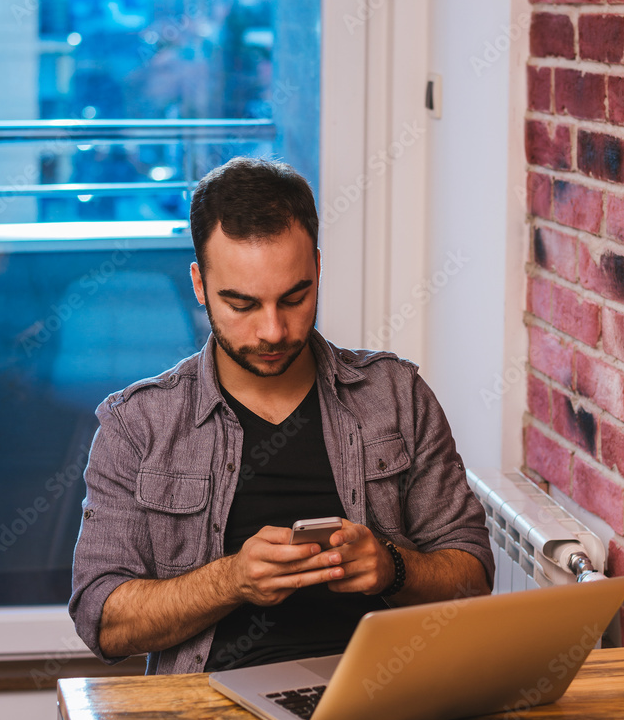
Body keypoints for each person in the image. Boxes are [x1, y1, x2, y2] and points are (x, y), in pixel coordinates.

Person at [70, 157, 494, 675]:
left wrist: (394, 567)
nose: (273, 331)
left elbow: (473, 576)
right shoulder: (138, 425)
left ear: (317, 269)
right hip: (212, 714)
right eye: (242, 305)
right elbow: (102, 620)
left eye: (295, 298)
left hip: (385, 694)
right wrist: (232, 580)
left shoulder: (396, 395)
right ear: (200, 285)